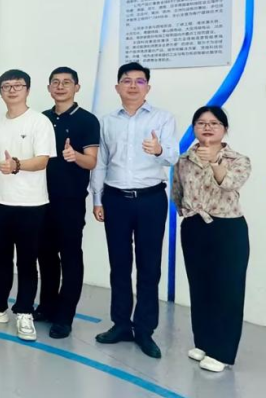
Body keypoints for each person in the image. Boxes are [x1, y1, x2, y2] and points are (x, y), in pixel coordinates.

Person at [91, 62, 178, 359]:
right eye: (126, 81)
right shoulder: (106, 122)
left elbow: (173, 156)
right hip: (115, 199)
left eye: (139, 81)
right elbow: (101, 163)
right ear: (117, 87)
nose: (132, 86)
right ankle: (120, 324)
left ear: (147, 88)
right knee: (119, 264)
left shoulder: (163, 118)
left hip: (151, 199)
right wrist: (97, 199)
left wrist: (158, 150)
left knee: (149, 266)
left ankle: (144, 330)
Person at [0, 69, 55, 342]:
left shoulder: (39, 122)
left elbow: (42, 160)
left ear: (27, 89)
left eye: (18, 85)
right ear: (0, 92)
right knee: (1, 257)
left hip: (31, 204)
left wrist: (16, 164)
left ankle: (25, 311)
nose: (12, 90)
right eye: (6, 86)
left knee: (27, 261)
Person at [173, 106, 250, 372]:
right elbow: (177, 192)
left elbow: (229, 183)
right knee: (200, 286)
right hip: (194, 227)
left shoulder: (238, 159)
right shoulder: (183, 159)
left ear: (224, 129)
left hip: (227, 228)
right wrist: (187, 214)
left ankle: (223, 352)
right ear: (194, 128)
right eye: (201, 122)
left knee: (227, 289)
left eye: (214, 123)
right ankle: (204, 342)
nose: (207, 127)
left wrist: (214, 162)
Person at [35, 67, 99, 339]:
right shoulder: (41, 119)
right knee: (45, 255)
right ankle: (47, 306)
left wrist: (75, 156)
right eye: (55, 82)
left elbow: (92, 161)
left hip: (70, 201)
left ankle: (65, 316)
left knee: (70, 256)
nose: (60, 87)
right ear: (49, 87)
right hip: (40, 199)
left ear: (77, 87)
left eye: (66, 82)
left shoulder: (87, 120)